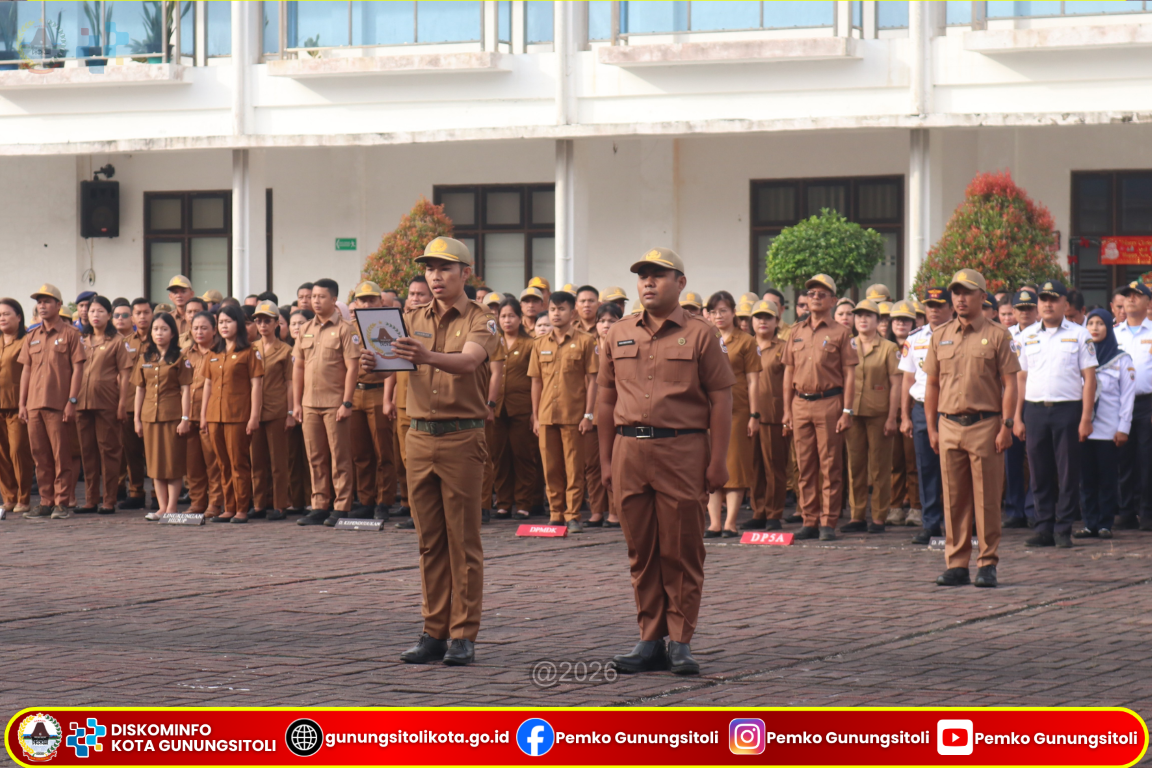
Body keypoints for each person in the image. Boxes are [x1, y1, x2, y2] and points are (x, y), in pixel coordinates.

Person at [598, 247, 733, 676]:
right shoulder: (619, 332)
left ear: (681, 283)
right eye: (643, 276)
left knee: (681, 549)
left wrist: (718, 461)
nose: (649, 283)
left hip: (682, 450)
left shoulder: (701, 334)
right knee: (641, 551)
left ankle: (680, 640)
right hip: (629, 451)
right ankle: (649, 638)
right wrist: (605, 460)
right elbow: (605, 398)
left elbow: (721, 399)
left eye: (658, 275)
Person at [373, 236, 498, 668]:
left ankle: (463, 634)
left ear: (466, 272)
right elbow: (392, 364)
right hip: (419, 435)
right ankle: (434, 630)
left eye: (444, 267)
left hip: (462, 436)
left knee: (463, 541)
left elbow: (468, 362)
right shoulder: (410, 317)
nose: (435, 276)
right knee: (429, 542)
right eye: (429, 268)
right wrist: (374, 365)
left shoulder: (482, 319)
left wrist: (425, 355)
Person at [924, 269, 1019, 588]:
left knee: (987, 498)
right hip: (949, 424)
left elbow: (1010, 383)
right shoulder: (940, 335)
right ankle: (956, 563)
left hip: (985, 424)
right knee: (953, 499)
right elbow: (932, 385)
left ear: (982, 296)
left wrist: (1007, 425)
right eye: (956, 292)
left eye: (967, 292)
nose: (960, 298)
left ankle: (987, 562)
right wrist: (932, 428)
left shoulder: (998, 334)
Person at [1013, 280, 1098, 548]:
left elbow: (1090, 378)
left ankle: (1063, 528)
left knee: (1067, 472)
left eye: (1054, 299)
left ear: (1065, 303)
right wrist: (1017, 416)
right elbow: (1021, 378)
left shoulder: (1080, 334)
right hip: (1035, 410)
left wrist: (1086, 418)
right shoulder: (1027, 336)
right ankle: (1043, 528)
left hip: (1068, 410)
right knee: (1039, 471)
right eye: (1043, 299)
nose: (1048, 304)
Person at [782, 274, 858, 541]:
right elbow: (788, 372)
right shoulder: (795, 332)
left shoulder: (841, 333)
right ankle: (809, 519)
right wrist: (787, 411)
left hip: (829, 402)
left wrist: (847, 411)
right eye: (811, 293)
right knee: (804, 466)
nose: (815, 297)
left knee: (830, 465)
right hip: (800, 403)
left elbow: (850, 375)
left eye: (821, 294)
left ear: (833, 301)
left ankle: (828, 521)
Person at [292, 279, 361, 526]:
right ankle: (319, 504)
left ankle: (341, 506)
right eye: (314, 297)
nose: (316, 301)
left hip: (335, 403)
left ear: (334, 300)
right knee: (315, 456)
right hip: (310, 404)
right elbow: (298, 367)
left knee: (339, 457)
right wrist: (297, 403)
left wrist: (347, 402)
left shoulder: (345, 329)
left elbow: (353, 368)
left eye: (322, 297)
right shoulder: (305, 328)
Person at [528, 290, 598, 533]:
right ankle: (556, 514)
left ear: (573, 313)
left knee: (574, 468)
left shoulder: (586, 341)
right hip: (547, 415)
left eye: (561, 309)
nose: (556, 314)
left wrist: (589, 414)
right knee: (551, 468)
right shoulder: (539, 343)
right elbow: (536, 382)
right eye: (552, 309)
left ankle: (573, 515)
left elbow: (593, 381)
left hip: (574, 416)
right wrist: (536, 416)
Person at [19, 284, 86, 520]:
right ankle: (45, 501)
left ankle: (62, 502)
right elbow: (26, 371)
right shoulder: (31, 336)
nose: (42, 306)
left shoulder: (71, 334)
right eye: (39, 302)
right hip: (34, 405)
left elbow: (78, 370)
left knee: (61, 456)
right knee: (40, 456)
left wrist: (72, 401)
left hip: (59, 404)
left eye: (47, 301)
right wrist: (22, 403)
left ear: (59, 305)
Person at [200, 304, 264, 523]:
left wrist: (254, 416)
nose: (224, 326)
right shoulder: (213, 352)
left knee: (238, 463)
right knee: (222, 464)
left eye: (229, 321)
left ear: (239, 324)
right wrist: (203, 415)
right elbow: (208, 385)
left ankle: (242, 508)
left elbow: (256, 385)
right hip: (214, 415)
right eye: (221, 322)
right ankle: (229, 507)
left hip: (238, 415)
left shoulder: (250, 352)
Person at [703, 291, 759, 538]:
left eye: (723, 311)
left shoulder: (746, 341)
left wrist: (754, 414)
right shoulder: (706, 339)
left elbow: (753, 380)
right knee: (711, 464)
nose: (718, 316)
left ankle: (731, 523)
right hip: (708, 411)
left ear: (734, 312)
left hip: (738, 410)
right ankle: (714, 523)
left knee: (735, 466)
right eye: (714, 312)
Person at [841, 299, 900, 534]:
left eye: (868, 316)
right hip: (853, 413)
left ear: (878, 320)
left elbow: (896, 385)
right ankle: (857, 515)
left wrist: (892, 417)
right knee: (855, 466)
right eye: (859, 315)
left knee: (880, 467)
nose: (863, 320)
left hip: (879, 414)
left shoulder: (889, 348)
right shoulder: (847, 345)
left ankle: (878, 516)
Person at [900, 287, 951, 545]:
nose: (934, 310)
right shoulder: (915, 338)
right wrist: (904, 415)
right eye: (930, 305)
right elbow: (908, 378)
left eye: (939, 305)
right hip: (921, 407)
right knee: (926, 468)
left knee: (955, 469)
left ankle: (959, 524)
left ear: (950, 308)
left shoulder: (959, 334)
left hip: (952, 407)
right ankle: (931, 524)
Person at [1075, 309, 1131, 540]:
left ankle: (1105, 523)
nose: (1095, 328)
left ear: (1109, 327)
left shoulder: (1121, 359)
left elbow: (1127, 396)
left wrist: (1123, 427)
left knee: (1107, 479)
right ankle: (1090, 523)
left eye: (1100, 323)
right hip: (1083, 428)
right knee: (1086, 479)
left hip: (1109, 429)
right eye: (1091, 323)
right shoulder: (1080, 355)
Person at [75, 296, 133, 515]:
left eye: (100, 311)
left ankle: (109, 499)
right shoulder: (81, 340)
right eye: (92, 311)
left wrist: (122, 404)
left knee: (109, 451)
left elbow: (125, 375)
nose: (95, 315)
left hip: (107, 402)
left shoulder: (117, 341)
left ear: (109, 315)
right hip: (82, 402)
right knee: (87, 452)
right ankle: (90, 499)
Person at [132, 312, 192, 520]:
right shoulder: (145, 358)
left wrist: (185, 419)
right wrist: (137, 419)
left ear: (172, 333)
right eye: (156, 329)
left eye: (164, 329)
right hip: (150, 416)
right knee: (155, 464)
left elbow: (186, 389)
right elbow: (140, 389)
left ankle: (172, 507)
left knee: (172, 463)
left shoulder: (180, 358)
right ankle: (161, 507)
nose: (159, 333)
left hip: (172, 416)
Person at [386, 276, 433, 528]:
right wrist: (388, 398)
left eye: (421, 294)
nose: (415, 298)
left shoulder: (433, 324)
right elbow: (391, 366)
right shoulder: (399, 325)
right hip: (404, 403)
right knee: (406, 461)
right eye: (412, 294)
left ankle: (425, 513)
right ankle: (414, 511)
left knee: (425, 463)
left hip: (427, 403)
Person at [348, 281, 397, 520]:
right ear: (356, 303)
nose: (367, 305)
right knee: (360, 453)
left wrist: (388, 399)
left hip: (378, 390)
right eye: (362, 300)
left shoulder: (387, 326)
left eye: (371, 300)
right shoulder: (349, 329)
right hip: (355, 392)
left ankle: (384, 501)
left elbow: (393, 365)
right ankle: (366, 500)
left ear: (381, 302)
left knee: (383, 452)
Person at [491, 297, 537, 521]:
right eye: (503, 316)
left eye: (511, 316)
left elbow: (536, 379)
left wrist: (535, 413)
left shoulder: (530, 344)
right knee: (499, 457)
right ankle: (503, 503)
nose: (507, 320)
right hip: (496, 408)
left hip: (522, 408)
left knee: (523, 456)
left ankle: (524, 503)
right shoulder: (493, 343)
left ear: (520, 318)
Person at [745, 300, 787, 530]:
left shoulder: (783, 347)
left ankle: (773, 512)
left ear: (777, 321)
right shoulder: (745, 345)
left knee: (774, 467)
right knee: (753, 467)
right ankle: (758, 510)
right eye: (758, 317)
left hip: (773, 415)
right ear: (751, 321)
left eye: (768, 317)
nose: (763, 321)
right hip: (747, 415)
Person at [1113, 281, 1152, 531]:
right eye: (1127, 296)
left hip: (1147, 402)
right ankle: (1125, 510)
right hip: (1119, 404)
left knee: (1147, 460)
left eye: (1137, 296)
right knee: (1122, 458)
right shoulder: (1114, 334)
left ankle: (1147, 511)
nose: (1131, 299)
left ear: (1148, 303)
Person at [250, 300, 293, 521]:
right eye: (258, 321)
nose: (262, 325)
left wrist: (290, 413)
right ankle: (259, 504)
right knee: (256, 461)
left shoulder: (285, 350)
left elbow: (290, 383)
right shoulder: (251, 348)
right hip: (254, 412)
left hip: (277, 409)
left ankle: (280, 504)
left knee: (278, 462)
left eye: (267, 321)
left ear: (277, 323)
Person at [186, 310, 224, 518]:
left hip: (210, 415)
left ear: (214, 330)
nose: (199, 332)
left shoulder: (220, 353)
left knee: (213, 463)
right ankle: (197, 502)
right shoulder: (185, 353)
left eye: (204, 328)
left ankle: (215, 503)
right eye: (195, 328)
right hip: (188, 415)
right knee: (193, 465)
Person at [589, 302, 624, 527]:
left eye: (612, 320)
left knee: (615, 462)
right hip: (590, 413)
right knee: (593, 465)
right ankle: (596, 510)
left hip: (616, 411)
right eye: (602, 321)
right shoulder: (588, 345)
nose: (606, 325)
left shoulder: (624, 345)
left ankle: (614, 511)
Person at [887, 300, 920, 527]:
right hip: (889, 412)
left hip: (913, 409)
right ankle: (895, 506)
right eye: (897, 319)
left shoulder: (919, 344)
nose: (901, 323)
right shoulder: (885, 347)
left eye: (906, 320)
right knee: (894, 463)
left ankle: (916, 507)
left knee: (913, 462)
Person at [118, 298, 153, 510]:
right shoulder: (125, 343)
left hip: (153, 405)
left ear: (152, 314)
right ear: (132, 317)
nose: (142, 316)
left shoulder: (160, 339)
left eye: (146, 312)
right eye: (138, 313)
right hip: (130, 404)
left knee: (154, 454)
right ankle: (136, 492)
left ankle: (158, 494)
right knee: (131, 453)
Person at [0, 299, 32, 518]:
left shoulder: (26, 341)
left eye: (6, 314)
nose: (2, 318)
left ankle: (23, 497)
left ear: (19, 317)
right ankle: (9, 497)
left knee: (18, 450)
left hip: (17, 405)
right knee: (2, 454)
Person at [285, 308, 314, 514]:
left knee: (311, 456)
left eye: (301, 323)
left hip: (312, 404)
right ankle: (296, 501)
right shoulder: (287, 349)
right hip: (290, 409)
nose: (296, 327)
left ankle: (314, 498)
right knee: (292, 457)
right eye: (293, 323)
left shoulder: (312, 348)